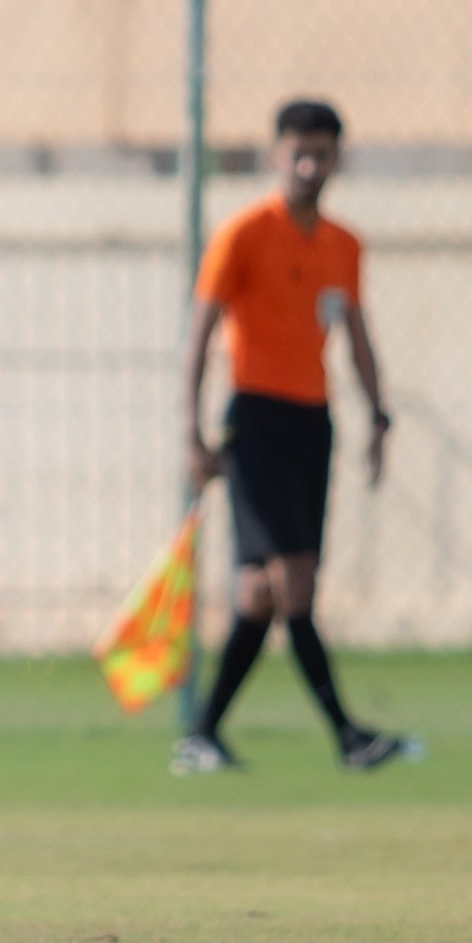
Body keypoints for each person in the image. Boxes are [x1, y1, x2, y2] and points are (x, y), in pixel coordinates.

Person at [172, 97, 415, 775]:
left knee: (258, 595)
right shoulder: (244, 234)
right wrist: (192, 431)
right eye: (297, 150)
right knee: (296, 585)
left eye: (322, 151)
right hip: (256, 421)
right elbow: (199, 334)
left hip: (314, 421)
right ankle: (348, 735)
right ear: (276, 152)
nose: (309, 163)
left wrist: (379, 415)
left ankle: (200, 734)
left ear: (337, 156)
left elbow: (358, 336)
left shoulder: (343, 243)